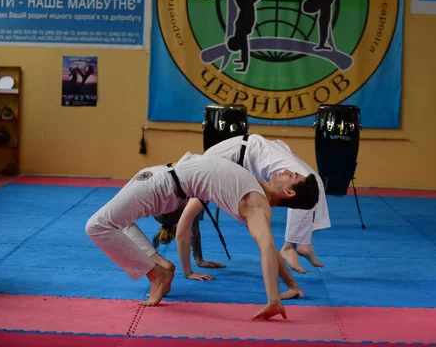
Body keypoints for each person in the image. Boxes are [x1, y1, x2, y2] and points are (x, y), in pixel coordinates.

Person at [85, 152, 319, 320]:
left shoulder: (256, 204)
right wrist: (291, 284)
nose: (287, 170)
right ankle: (158, 264)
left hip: (160, 185)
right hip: (163, 181)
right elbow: (269, 247)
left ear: (289, 192)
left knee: (97, 226)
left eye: (293, 176)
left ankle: (155, 273)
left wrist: (274, 299)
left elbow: (267, 248)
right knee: (116, 223)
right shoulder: (257, 192)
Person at [170, 134, 330, 278]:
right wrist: (193, 266)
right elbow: (187, 223)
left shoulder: (195, 178)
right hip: (246, 155)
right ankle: (293, 245)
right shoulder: (200, 185)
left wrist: (197, 262)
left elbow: (187, 223)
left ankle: (299, 243)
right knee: (307, 182)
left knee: (308, 184)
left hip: (245, 153)